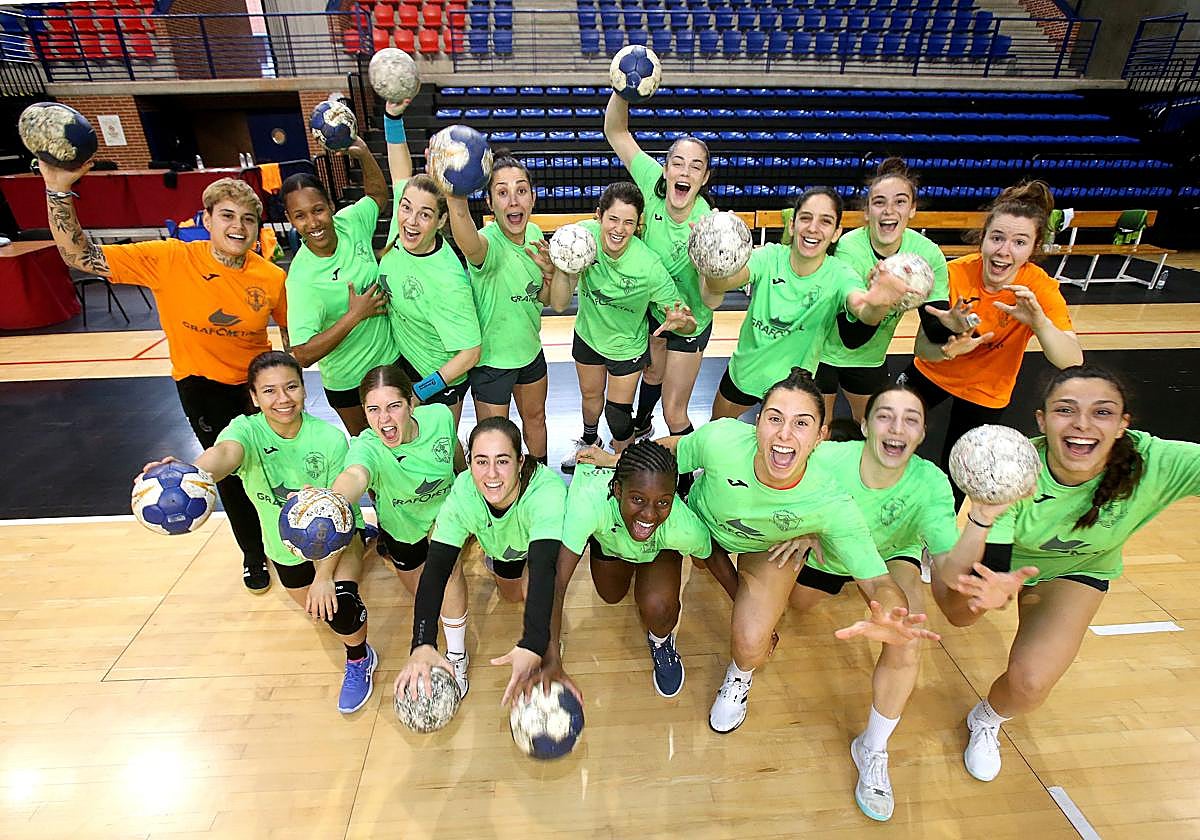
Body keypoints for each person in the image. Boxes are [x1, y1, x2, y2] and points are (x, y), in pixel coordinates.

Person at [582, 368, 939, 736]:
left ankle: (739, 678)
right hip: (700, 524)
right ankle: (667, 624)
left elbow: (878, 579)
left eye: (802, 423)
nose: (785, 434)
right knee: (649, 597)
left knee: (752, 642)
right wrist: (618, 462)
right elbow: (674, 451)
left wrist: (892, 612)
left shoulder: (832, 502)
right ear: (757, 424)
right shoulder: (722, 440)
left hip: (765, 549)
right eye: (775, 418)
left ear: (820, 436)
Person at [932, 365, 1200, 783]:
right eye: (1065, 410)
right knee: (961, 612)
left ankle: (987, 718)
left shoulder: (1158, 464)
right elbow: (998, 555)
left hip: (1079, 569)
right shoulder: (1014, 466)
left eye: (1102, 412)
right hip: (1011, 558)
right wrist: (998, 584)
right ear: (1042, 420)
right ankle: (933, 555)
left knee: (1030, 684)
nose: (1082, 424)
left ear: (1123, 424)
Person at [41, 161, 286, 593]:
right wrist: (59, 191)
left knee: (269, 467)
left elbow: (288, 338)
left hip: (254, 387)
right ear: (206, 219)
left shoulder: (270, 277)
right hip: (201, 385)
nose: (238, 226)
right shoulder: (169, 257)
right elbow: (79, 255)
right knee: (226, 474)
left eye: (248, 219)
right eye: (227, 216)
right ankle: (253, 554)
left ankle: (287, 541)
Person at [139, 351, 379, 714]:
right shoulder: (244, 431)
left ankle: (360, 658)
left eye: (291, 387)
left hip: (337, 537)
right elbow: (223, 455)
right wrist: (190, 473)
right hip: (284, 548)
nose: (283, 399)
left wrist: (325, 576)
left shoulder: (328, 438)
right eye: (269, 391)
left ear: (303, 389)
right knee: (317, 611)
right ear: (253, 397)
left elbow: (335, 513)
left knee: (340, 608)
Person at [797, 384, 966, 821]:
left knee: (906, 636)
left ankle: (872, 748)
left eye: (910, 419)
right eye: (885, 416)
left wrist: (983, 532)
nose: (897, 427)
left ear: (923, 433)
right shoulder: (830, 460)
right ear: (867, 425)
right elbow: (789, 492)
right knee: (797, 605)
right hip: (832, 552)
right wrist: (804, 526)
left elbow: (949, 561)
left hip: (893, 558)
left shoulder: (930, 482)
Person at [901, 181, 1083, 506]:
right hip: (933, 373)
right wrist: (948, 346)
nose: (1004, 251)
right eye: (997, 238)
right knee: (887, 428)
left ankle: (934, 545)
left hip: (987, 389)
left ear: (1033, 248)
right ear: (983, 238)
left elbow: (1071, 360)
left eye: (1019, 242)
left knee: (961, 468)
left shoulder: (1038, 287)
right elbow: (921, 351)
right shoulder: (953, 273)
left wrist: (1038, 323)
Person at [701, 187, 916, 421]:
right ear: (792, 225)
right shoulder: (769, 256)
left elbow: (862, 308)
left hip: (794, 388)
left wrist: (879, 301)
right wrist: (713, 256)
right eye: (806, 218)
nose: (813, 228)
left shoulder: (840, 274)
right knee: (716, 435)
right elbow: (721, 284)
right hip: (744, 375)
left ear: (836, 233)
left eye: (825, 221)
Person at [396, 417, 567, 705]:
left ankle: (550, 645)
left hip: (540, 551)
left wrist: (535, 643)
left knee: (535, 584)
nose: (491, 474)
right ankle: (494, 552)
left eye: (502, 461)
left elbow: (543, 568)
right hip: (505, 548)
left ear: (520, 461)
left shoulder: (547, 492)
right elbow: (436, 568)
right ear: (470, 462)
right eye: (481, 461)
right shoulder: (464, 490)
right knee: (510, 594)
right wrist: (422, 642)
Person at [328, 364, 472, 694]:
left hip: (444, 518)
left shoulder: (438, 417)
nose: (384, 420)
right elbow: (355, 475)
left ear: (411, 404)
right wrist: (331, 500)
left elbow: (456, 455)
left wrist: (467, 485)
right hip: (401, 531)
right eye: (373, 410)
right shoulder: (366, 446)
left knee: (447, 573)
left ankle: (457, 657)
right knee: (426, 597)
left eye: (393, 406)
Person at [536, 440, 713, 702]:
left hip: (659, 543)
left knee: (659, 605)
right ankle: (606, 539)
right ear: (617, 490)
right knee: (610, 595)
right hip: (611, 531)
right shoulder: (588, 503)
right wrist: (551, 658)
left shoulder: (682, 526)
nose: (650, 513)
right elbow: (556, 584)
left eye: (663, 502)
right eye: (638, 499)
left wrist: (741, 599)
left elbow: (709, 559)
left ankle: (662, 642)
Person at [549, 182, 696, 470]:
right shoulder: (580, 240)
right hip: (589, 335)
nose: (619, 229)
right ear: (599, 216)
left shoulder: (648, 266)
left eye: (629, 222)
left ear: (637, 225)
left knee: (617, 415)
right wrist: (561, 270)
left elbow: (686, 321)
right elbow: (558, 304)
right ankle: (590, 442)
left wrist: (682, 323)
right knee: (590, 398)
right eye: (613, 219)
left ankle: (624, 467)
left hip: (626, 347)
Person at [604, 93, 714, 442]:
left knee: (675, 411)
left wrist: (707, 266)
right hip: (655, 310)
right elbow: (616, 132)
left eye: (695, 166)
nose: (685, 171)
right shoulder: (653, 185)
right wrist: (622, 91)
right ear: (666, 169)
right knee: (652, 373)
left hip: (689, 318)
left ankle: (688, 474)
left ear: (705, 178)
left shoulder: (709, 226)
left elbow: (712, 300)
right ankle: (642, 423)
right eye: (677, 162)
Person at [817, 158, 951, 423]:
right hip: (823, 352)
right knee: (819, 432)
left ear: (912, 209)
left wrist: (953, 325)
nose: (889, 210)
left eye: (900, 201)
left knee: (871, 429)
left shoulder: (926, 254)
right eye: (879, 202)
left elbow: (935, 327)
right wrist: (883, 296)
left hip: (870, 358)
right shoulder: (849, 248)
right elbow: (851, 336)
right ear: (867, 212)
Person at [443, 149, 554, 463]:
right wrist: (455, 194)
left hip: (531, 353)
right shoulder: (486, 243)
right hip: (492, 363)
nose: (514, 200)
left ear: (532, 197)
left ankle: (538, 481)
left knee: (536, 421)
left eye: (521, 190)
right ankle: (496, 499)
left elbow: (542, 299)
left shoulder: (534, 235)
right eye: (502, 193)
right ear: (490, 203)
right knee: (495, 438)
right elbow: (467, 239)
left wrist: (550, 275)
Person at [283, 137, 395, 436]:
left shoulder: (350, 223)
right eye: (300, 216)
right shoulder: (302, 278)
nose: (313, 222)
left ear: (331, 206)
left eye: (317, 210)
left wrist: (364, 153)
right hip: (349, 383)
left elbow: (377, 195)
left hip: (391, 362)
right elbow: (303, 354)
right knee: (370, 452)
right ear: (290, 220)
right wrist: (354, 315)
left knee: (409, 442)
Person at [382, 100, 482, 426]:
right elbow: (399, 168)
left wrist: (421, 391)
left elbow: (470, 353)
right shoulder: (400, 232)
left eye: (425, 214)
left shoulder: (449, 280)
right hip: (403, 362)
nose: (411, 221)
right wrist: (393, 116)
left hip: (440, 381)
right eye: (406, 208)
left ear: (441, 221)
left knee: (441, 454)